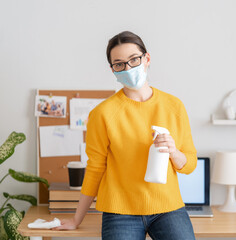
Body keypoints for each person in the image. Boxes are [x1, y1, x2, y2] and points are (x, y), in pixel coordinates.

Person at [54, 31, 197, 240]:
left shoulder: (174, 106)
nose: (128, 68)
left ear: (146, 59)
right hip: (120, 211)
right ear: (113, 70)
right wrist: (77, 219)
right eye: (119, 64)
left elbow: (190, 164)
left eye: (134, 60)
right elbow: (95, 169)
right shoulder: (102, 114)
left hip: (168, 207)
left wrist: (174, 152)